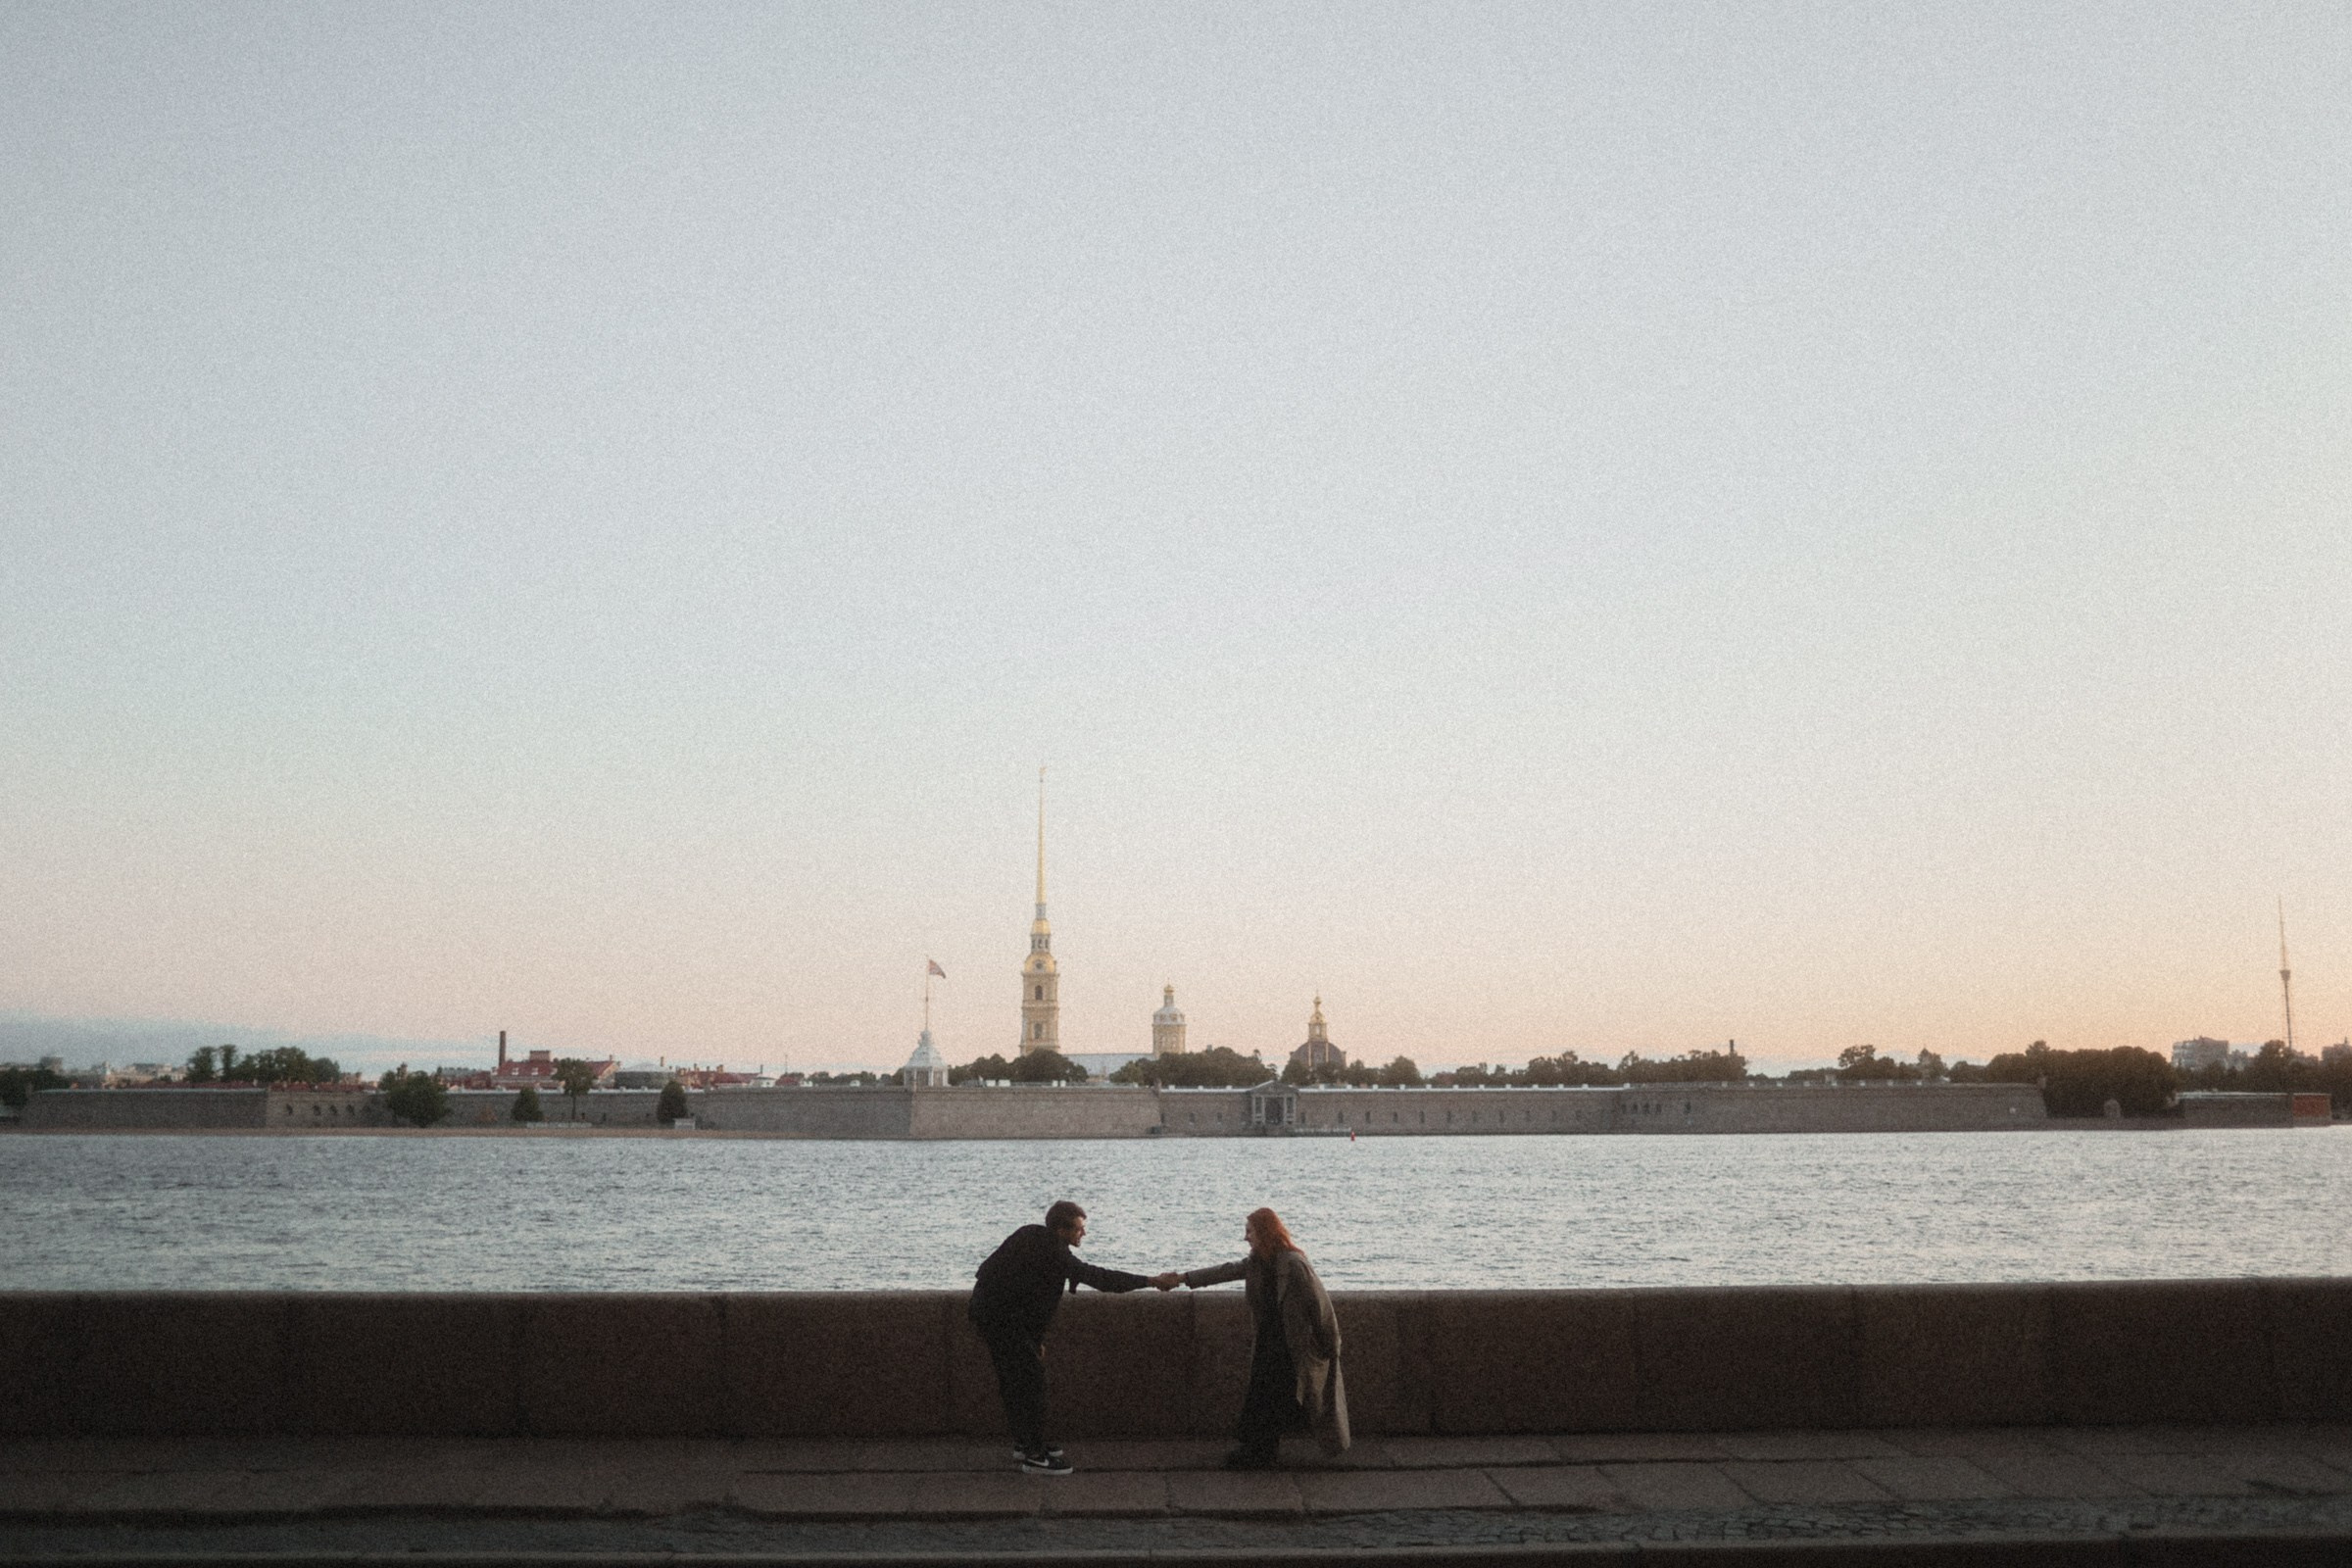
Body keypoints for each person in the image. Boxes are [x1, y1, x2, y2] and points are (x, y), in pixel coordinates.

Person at [969, 1200, 1181, 1474]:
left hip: (993, 1315)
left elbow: (1021, 1289)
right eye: (1079, 1229)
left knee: (1015, 1383)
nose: (1084, 1233)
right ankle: (1035, 1457)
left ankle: (1026, 1443)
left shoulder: (1030, 1236)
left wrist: (1035, 1339)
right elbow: (1100, 1278)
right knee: (1030, 1384)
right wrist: (1150, 1280)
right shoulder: (1054, 1253)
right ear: (1061, 1231)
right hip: (1004, 1321)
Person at [1171, 1206, 1349, 1468]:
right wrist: (1182, 1278)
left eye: (1250, 1231)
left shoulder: (1294, 1264)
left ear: (1265, 1232)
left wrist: (1332, 1345)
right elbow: (1226, 1271)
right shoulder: (1258, 1261)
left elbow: (1320, 1306)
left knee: (1270, 1395)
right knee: (1264, 1394)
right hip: (1269, 1341)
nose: (1246, 1237)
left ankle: (1260, 1451)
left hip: (1291, 1345)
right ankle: (1259, 1450)